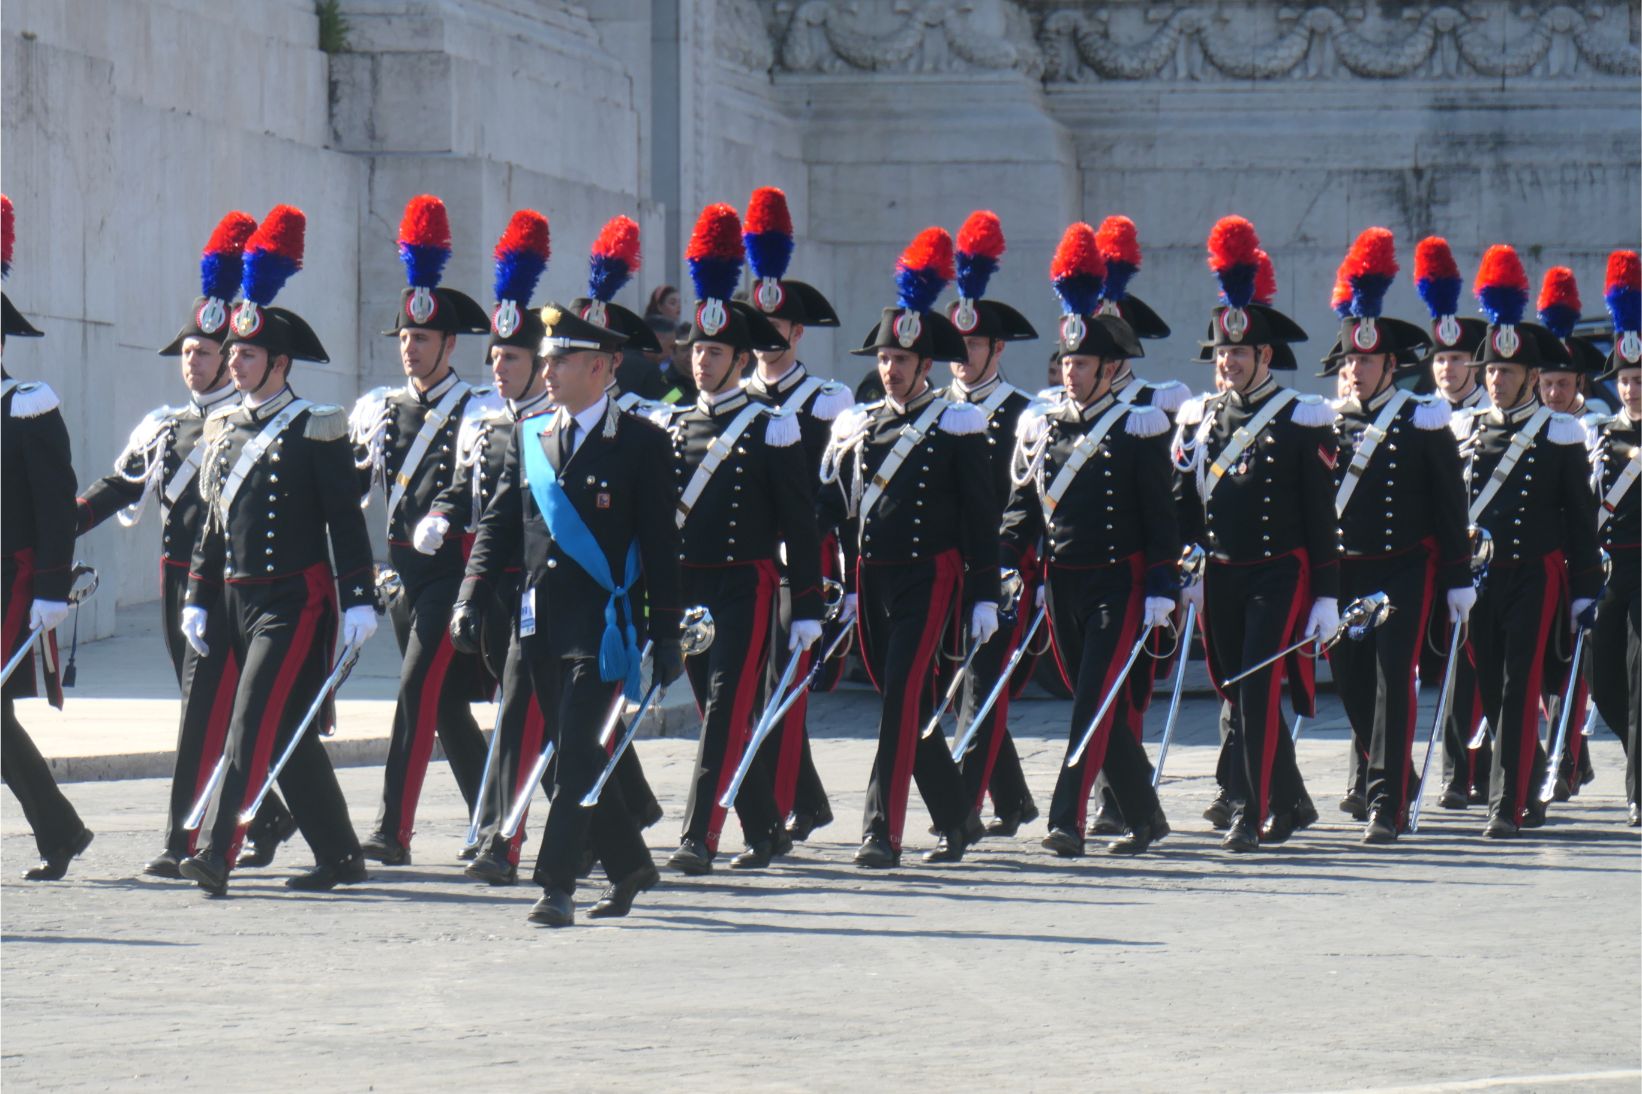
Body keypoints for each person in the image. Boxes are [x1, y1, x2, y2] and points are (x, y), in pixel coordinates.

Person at [75, 210, 297, 876]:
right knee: (207, 708)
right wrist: (63, 521)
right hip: (178, 579)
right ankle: (267, 814)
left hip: (230, 585)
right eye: (188, 354)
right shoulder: (167, 425)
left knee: (207, 712)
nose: (192, 364)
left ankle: (184, 840)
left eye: (205, 353)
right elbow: (119, 486)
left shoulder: (247, 426)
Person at [452, 303, 680, 927]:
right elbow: (499, 525)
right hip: (539, 622)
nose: (547, 370)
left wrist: (666, 632)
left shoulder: (641, 443)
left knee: (578, 748)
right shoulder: (529, 436)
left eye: (562, 360)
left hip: (604, 626)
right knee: (568, 752)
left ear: (602, 367)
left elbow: (661, 546)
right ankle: (630, 864)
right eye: (547, 359)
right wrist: (471, 595)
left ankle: (556, 885)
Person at [177, 205, 376, 895]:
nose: (234, 363)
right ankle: (342, 854)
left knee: (253, 716)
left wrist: (359, 597)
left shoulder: (316, 426)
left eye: (248, 355)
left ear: (280, 363)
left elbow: (344, 520)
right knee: (289, 729)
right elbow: (212, 524)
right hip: (235, 596)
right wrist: (197, 596)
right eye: (232, 353)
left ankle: (217, 852)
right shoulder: (224, 427)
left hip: (294, 598)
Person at [819, 227, 1000, 867]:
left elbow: (981, 518)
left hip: (932, 576)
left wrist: (984, 594)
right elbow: (839, 510)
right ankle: (957, 817)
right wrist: (834, 580)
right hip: (873, 578)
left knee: (899, 700)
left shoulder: (956, 425)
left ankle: (880, 831)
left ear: (926, 365)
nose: (890, 370)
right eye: (884, 359)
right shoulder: (860, 426)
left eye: (901, 360)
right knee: (906, 702)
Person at [654, 201, 825, 872]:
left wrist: (806, 605)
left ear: (739, 358)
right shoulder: (671, 426)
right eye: (696, 349)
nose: (701, 361)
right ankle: (766, 828)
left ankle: (699, 835)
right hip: (687, 585)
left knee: (727, 710)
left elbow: (800, 524)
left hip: (745, 585)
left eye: (715, 352)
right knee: (713, 712)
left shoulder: (769, 425)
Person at [1003, 221, 1178, 856]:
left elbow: (1160, 515)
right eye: (1066, 362)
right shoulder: (1043, 427)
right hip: (1063, 582)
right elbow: (1023, 509)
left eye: (1081, 363)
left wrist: (1162, 584)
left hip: (1118, 582)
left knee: (1093, 702)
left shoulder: (1138, 426)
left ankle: (1066, 819)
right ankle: (1147, 817)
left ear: (1109, 367)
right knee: (1093, 698)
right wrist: (1004, 561)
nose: (1069, 372)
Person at [1173, 216, 1338, 853]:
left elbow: (1321, 515)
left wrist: (1327, 593)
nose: (1229, 362)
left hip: (1279, 570)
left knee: (1258, 686)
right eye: (1223, 352)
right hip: (1223, 571)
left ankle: (1251, 809)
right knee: (1238, 688)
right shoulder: (1202, 419)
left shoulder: (1301, 419)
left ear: (1265, 356)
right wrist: (1185, 562)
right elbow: (1186, 503)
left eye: (1239, 352)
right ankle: (1293, 801)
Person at [349, 195, 499, 866]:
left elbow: (478, 490)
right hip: (401, 577)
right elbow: (356, 485)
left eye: (423, 339)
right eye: (405, 339)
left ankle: (393, 831)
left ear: (450, 345)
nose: (411, 350)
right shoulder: (379, 409)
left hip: (452, 573)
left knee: (415, 692)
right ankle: (493, 817)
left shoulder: (477, 409)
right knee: (443, 707)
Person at [417, 210, 556, 885]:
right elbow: (491, 513)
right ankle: (616, 823)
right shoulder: (495, 427)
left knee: (527, 715)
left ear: (541, 365)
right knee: (536, 717)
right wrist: (469, 591)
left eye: (512, 358)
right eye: (495, 357)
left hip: (555, 593)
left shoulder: (559, 429)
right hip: (502, 586)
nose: (498, 368)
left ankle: (505, 841)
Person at [1318, 228, 1468, 842]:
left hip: (1403, 568)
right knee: (1351, 684)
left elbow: (1449, 505)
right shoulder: (1325, 424)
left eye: (1365, 361)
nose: (1354, 370)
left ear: (1390, 365)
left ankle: (1387, 804)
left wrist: (1457, 577)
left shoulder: (1421, 420)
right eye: (1348, 361)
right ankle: (1396, 776)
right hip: (1344, 569)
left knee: (1390, 678)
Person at [1461, 243, 1600, 839]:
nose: (1496, 381)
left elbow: (1580, 519)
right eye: (1491, 371)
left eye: (1508, 372)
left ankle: (1507, 804)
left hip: (1534, 574)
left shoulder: (1559, 433)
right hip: (1481, 579)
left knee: (1520, 684)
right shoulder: (1465, 432)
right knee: (1492, 686)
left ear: (1530, 377)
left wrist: (1584, 591)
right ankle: (1531, 775)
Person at [736, 185, 852, 842]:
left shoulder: (827, 400)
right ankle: (807, 801)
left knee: (786, 682)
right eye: (759, 325)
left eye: (777, 327)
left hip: (806, 554)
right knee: (755, 686)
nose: (767, 338)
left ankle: (779, 808)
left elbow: (840, 491)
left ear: (797, 332)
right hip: (748, 555)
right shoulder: (737, 399)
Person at [938, 209, 1042, 837]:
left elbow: (1030, 497)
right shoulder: (934, 410)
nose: (961, 357)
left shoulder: (1024, 413)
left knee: (982, 680)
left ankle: (964, 805)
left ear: (997, 349)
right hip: (941, 565)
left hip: (1001, 565)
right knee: (953, 681)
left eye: (973, 345)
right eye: (955, 345)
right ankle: (1013, 798)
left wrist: (1013, 560)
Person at [1, 194, 94, 881]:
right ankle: (60, 830)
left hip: (11, 577)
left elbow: (56, 506)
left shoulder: (27, 405)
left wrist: (52, 589)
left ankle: (59, 830)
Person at [1085, 214, 1186, 837]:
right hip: (1078, 566)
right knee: (1095, 685)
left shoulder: (1158, 403)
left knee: (1126, 686)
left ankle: (1116, 797)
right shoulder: (1065, 408)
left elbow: (1176, 493)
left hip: (1140, 563)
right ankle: (1117, 793)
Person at [1410, 235, 1494, 810]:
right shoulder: (1420, 415)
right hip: (1428, 552)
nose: (1446, 368)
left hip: (1481, 554)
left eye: (1457, 359)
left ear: (1476, 365)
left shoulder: (1492, 417)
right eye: (1440, 359)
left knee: (1474, 664)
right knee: (1430, 662)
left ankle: (1464, 772)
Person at [1590, 249, 1640, 825]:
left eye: (1639, 380)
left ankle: (1638, 792)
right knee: (1603, 680)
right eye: (1625, 380)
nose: (1630, 389)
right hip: (1610, 570)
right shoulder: (1600, 437)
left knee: (1639, 672)